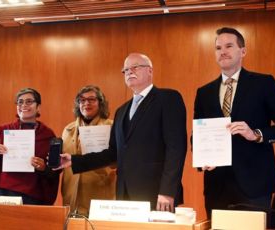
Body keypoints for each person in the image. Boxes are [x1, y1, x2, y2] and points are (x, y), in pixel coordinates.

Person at [58, 53, 187, 212]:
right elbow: (112, 154)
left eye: (135, 67)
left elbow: (176, 148)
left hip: (157, 194)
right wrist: (74, 160)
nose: (130, 72)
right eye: (126, 70)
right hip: (124, 194)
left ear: (150, 71)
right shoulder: (121, 111)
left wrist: (167, 191)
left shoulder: (168, 98)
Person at [193, 27, 275, 217]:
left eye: (229, 46)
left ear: (243, 51)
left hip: (255, 185)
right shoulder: (204, 92)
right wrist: (203, 159)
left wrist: (256, 134)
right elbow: (198, 134)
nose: (222, 51)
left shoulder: (264, 84)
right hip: (217, 187)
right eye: (218, 48)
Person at [0, 88, 60, 205]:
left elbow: (54, 171)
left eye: (29, 101)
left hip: (32, 193)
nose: (23, 105)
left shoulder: (48, 135)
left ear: (38, 107)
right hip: (2, 190)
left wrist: (43, 167)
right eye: (20, 102)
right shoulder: (4, 129)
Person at [61, 85, 116, 215]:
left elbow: (115, 160)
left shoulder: (111, 126)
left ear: (100, 103)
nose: (86, 103)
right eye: (82, 100)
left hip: (99, 193)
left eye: (91, 99)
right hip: (71, 194)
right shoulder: (68, 130)